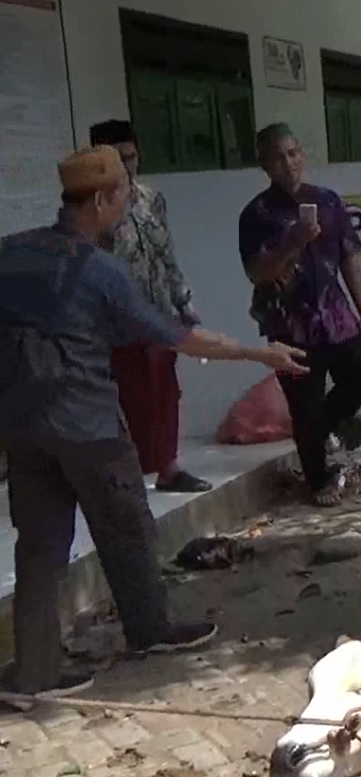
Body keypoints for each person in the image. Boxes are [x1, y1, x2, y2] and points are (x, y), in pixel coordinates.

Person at [0, 145, 308, 701]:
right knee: (128, 529)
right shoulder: (100, 271)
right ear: (100, 200)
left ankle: (35, 672)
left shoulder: (11, 254)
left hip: (23, 427)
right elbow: (178, 336)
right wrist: (261, 355)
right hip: (90, 428)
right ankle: (150, 632)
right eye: (122, 195)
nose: (127, 204)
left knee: (40, 547)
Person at [238, 123, 361, 507]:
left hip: (337, 319)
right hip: (290, 325)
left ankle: (320, 432)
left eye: (293, 153)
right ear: (264, 165)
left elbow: (351, 258)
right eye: (278, 157)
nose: (288, 163)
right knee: (304, 403)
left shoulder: (329, 202)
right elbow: (257, 272)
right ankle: (318, 481)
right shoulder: (257, 214)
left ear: (304, 155)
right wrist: (293, 241)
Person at [88, 119, 210, 493]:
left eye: (132, 156)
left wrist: (183, 300)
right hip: (117, 319)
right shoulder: (95, 208)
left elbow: (166, 254)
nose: (128, 166)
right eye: (119, 159)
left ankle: (168, 468)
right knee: (129, 395)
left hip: (158, 311)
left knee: (165, 391)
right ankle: (128, 473)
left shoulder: (151, 199)